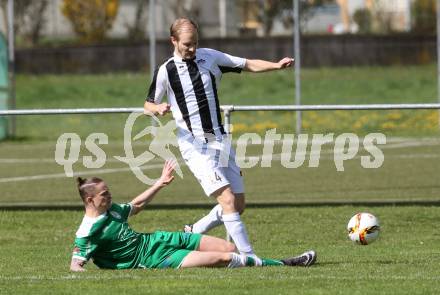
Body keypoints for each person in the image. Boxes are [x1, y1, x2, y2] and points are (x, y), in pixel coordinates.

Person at [143, 18, 295, 263]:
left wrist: (276, 66)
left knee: (238, 203)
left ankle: (193, 231)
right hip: (195, 145)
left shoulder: (209, 57)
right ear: (173, 41)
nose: (192, 49)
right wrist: (157, 108)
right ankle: (249, 258)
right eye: (187, 44)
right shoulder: (166, 71)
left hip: (220, 140)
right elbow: (147, 104)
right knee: (226, 200)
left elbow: (246, 64)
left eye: (195, 43)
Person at [70, 160, 316, 271]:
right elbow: (75, 264)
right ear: (90, 200)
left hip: (157, 240)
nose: (109, 196)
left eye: (108, 191)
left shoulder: (111, 210)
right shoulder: (87, 231)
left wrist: (160, 183)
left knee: (230, 247)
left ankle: (200, 236)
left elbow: (136, 205)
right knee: (222, 258)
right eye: (104, 194)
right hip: (153, 259)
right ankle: (284, 263)